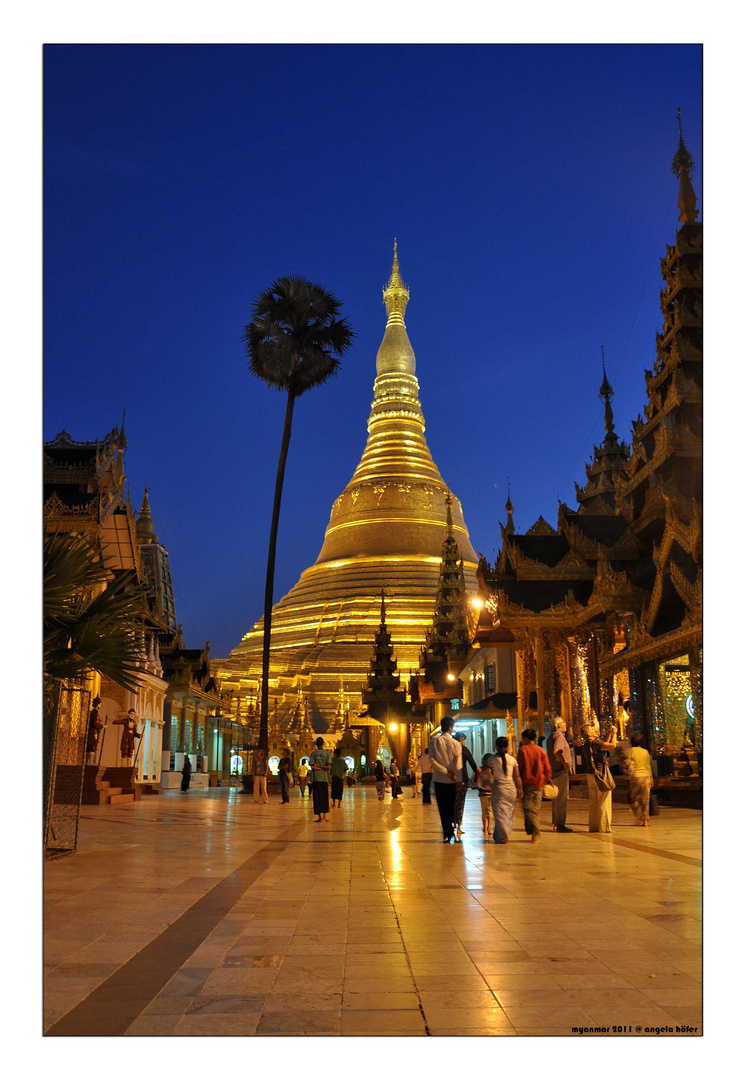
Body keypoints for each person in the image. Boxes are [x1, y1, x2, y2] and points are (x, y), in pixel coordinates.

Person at [579, 720, 618, 833]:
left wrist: (609, 734)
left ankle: (594, 826)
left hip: (590, 774)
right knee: (603, 800)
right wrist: (614, 733)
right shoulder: (594, 743)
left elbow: (602, 744)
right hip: (600, 774)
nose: (594, 730)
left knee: (594, 801)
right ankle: (604, 827)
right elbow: (612, 746)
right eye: (592, 729)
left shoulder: (587, 744)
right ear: (588, 733)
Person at [428, 716, 462, 843]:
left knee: (443, 808)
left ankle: (446, 833)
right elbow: (459, 764)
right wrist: (458, 779)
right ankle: (450, 830)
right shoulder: (456, 744)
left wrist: (445, 771)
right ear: (451, 728)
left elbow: (432, 760)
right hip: (452, 780)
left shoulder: (434, 742)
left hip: (439, 780)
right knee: (451, 806)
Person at [517, 729, 552, 843]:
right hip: (539, 784)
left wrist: (518, 784)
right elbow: (546, 767)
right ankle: (534, 831)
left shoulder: (523, 751)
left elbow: (520, 768)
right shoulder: (541, 750)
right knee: (535, 809)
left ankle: (535, 831)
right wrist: (547, 778)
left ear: (526, 738)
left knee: (528, 809)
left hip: (527, 784)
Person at [489, 736, 522, 844]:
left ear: (496, 746)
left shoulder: (492, 759)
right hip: (511, 788)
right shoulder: (513, 759)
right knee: (508, 812)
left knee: (499, 813)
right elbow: (517, 776)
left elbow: (487, 773)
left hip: (499, 788)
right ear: (507, 746)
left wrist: (489, 784)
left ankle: (503, 834)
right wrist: (520, 788)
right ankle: (502, 834)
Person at [546, 717, 574, 833]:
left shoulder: (551, 736)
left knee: (556, 799)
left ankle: (556, 823)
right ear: (558, 725)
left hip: (554, 771)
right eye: (563, 722)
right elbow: (556, 750)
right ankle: (560, 823)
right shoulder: (559, 735)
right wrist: (565, 763)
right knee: (562, 798)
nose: (565, 724)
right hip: (560, 771)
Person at [452, 732, 478, 837]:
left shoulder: (450, 749)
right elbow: (472, 763)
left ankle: (451, 824)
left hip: (450, 780)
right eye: (464, 739)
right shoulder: (464, 749)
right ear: (461, 739)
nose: (464, 741)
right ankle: (458, 826)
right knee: (460, 803)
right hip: (462, 779)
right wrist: (478, 771)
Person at [628, 733, 654, 826]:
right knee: (645, 799)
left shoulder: (630, 751)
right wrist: (651, 778)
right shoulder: (645, 752)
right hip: (646, 776)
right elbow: (648, 765)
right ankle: (645, 820)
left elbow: (628, 763)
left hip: (635, 777)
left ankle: (638, 814)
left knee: (635, 798)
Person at [309, 737, 331, 822]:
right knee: (325, 797)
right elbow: (328, 767)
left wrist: (318, 766)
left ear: (316, 744)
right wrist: (324, 768)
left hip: (316, 778)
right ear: (323, 743)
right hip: (324, 778)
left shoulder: (313, 754)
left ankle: (319, 817)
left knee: (317, 798)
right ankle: (324, 816)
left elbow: (313, 767)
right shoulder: (327, 754)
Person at [476, 754, 494, 838]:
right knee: (490, 810)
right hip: (491, 792)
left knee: (484, 810)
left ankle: (485, 828)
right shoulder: (493, 771)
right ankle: (489, 828)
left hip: (482, 793)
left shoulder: (480, 770)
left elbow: (476, 780)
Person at [85, 697, 103, 764]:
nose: (101, 705)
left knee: (93, 746)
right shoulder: (94, 713)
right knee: (92, 746)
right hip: (93, 732)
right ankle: (90, 761)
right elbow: (95, 723)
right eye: (100, 704)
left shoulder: (95, 713)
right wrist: (101, 726)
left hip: (94, 732)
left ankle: (90, 761)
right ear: (98, 704)